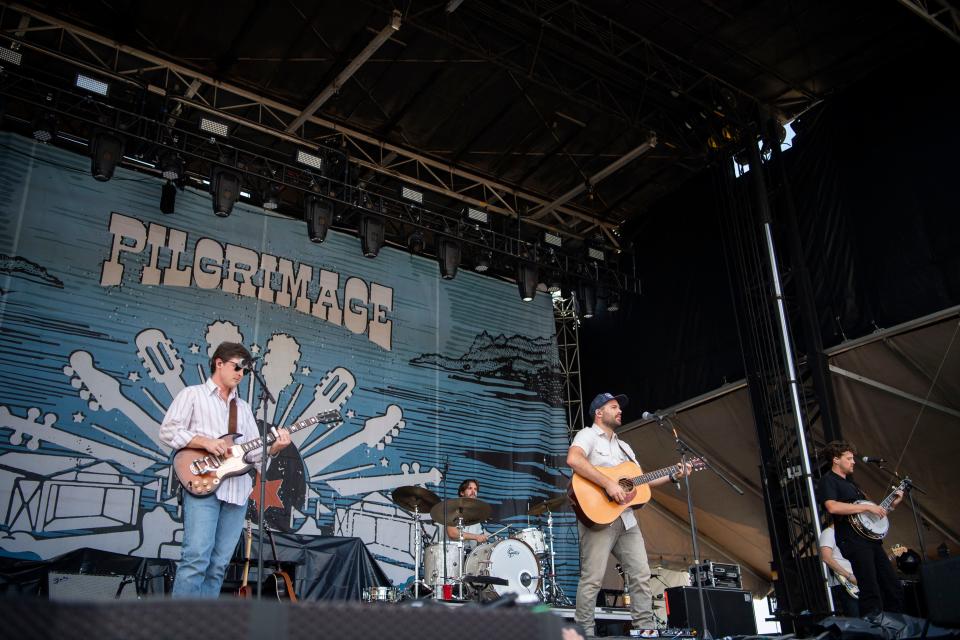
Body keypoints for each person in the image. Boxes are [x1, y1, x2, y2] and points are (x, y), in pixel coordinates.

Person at [159, 342, 292, 598]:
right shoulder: (193, 394)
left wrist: (274, 448)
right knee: (196, 558)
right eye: (236, 367)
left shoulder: (241, 408)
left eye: (245, 370)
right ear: (218, 363)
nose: (240, 374)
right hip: (203, 485)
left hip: (236, 493)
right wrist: (205, 442)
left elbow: (253, 455)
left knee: (218, 565)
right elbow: (168, 431)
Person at [567, 392, 690, 638]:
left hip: (627, 519)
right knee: (592, 579)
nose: (619, 410)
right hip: (598, 518)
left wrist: (675, 474)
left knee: (641, 574)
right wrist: (608, 484)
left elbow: (640, 483)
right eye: (614, 407)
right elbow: (574, 460)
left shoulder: (624, 447)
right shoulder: (587, 435)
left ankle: (646, 630)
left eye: (619, 407)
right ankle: (584, 633)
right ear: (599, 413)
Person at [817, 440, 903, 620]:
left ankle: (895, 626)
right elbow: (832, 506)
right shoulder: (828, 480)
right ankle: (873, 630)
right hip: (853, 541)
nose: (853, 462)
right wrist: (866, 508)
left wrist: (892, 505)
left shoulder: (853, 485)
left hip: (870, 541)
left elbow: (871, 515)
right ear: (836, 460)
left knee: (892, 584)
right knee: (870, 588)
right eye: (848, 458)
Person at [819, 524, 860, 617]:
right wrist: (849, 576)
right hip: (845, 583)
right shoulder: (828, 533)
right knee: (856, 620)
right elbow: (826, 558)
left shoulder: (850, 533)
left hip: (858, 580)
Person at [444, 479, 489, 550]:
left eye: (475, 489)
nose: (473, 491)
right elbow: (452, 533)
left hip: (470, 557)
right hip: (453, 555)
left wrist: (482, 539)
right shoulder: (452, 510)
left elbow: (479, 541)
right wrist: (476, 537)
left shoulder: (476, 515)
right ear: (462, 492)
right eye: (470, 488)